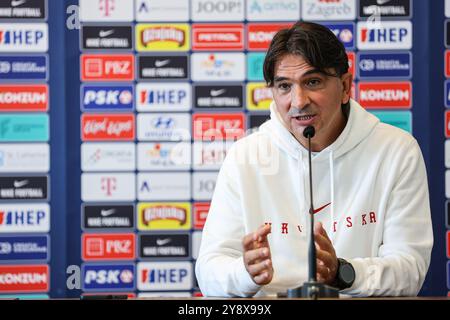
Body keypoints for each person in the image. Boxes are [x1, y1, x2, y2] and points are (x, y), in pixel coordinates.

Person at [195, 21, 433, 297]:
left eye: (312, 82)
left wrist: (343, 273)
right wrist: (244, 274)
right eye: (284, 86)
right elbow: (210, 270)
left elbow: (410, 269)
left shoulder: (396, 151)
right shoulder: (245, 156)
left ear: (345, 86)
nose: (298, 101)